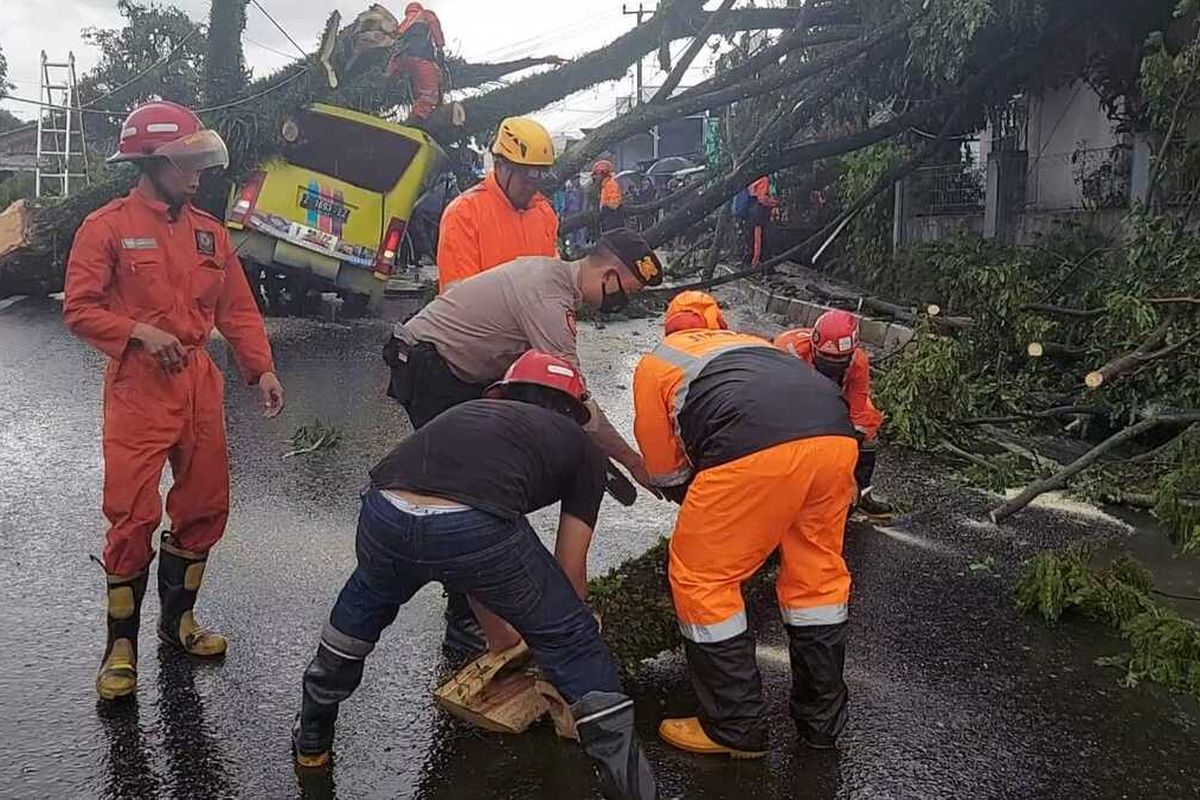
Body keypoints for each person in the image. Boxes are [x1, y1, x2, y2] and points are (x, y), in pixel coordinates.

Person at [293, 351, 658, 799]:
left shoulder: (469, 414)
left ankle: (312, 737)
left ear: (503, 393)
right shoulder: (582, 449)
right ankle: (633, 789)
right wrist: (569, 627)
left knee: (362, 609)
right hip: (474, 526)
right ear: (573, 409)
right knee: (573, 638)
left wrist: (502, 640)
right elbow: (569, 567)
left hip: (384, 508)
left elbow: (466, 554)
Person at [63, 101, 286, 701]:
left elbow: (237, 310)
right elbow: (79, 308)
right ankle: (120, 648)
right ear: (151, 162)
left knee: (204, 508)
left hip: (199, 385)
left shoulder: (211, 232)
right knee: (132, 517)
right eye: (185, 164)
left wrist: (260, 369)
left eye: (198, 162)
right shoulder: (105, 227)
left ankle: (178, 623)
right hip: (139, 386)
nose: (197, 175)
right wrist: (138, 332)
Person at [384, 228, 664, 661]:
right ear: (608, 273)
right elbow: (576, 399)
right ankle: (467, 625)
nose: (620, 302)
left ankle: (489, 609)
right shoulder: (549, 299)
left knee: (482, 488)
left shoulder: (556, 284)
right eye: (623, 291)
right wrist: (632, 461)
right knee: (469, 495)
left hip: (456, 374)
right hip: (431, 371)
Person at [632, 291, 858, 757]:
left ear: (669, 326)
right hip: (836, 439)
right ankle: (822, 723)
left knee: (703, 578)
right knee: (817, 581)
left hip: (751, 451)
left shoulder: (657, 363)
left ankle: (734, 727)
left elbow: (664, 469)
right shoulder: (756, 344)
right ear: (719, 321)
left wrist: (703, 506)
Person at [774, 310, 894, 518]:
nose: (830, 362)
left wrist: (851, 440)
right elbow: (774, 397)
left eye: (837, 359)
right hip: (791, 395)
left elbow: (858, 406)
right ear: (814, 346)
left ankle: (860, 490)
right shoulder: (788, 351)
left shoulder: (858, 363)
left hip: (836, 395)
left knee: (870, 419)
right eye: (825, 357)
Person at [436, 117, 559, 291]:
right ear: (501, 166)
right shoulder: (465, 213)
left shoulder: (544, 213)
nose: (532, 187)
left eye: (539, 177)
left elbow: (552, 281)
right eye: (526, 177)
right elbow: (460, 298)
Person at [385, 2, 446, 122]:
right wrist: (440, 46)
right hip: (420, 56)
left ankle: (384, 93)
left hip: (398, 61)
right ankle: (417, 119)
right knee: (428, 92)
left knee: (389, 84)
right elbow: (434, 25)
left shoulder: (402, 24)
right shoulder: (425, 14)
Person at [747, 175, 778, 268]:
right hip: (759, 213)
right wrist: (774, 202)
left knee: (755, 238)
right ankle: (755, 261)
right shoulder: (764, 180)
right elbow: (762, 198)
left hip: (751, 212)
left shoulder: (754, 180)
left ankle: (755, 259)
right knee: (758, 239)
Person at [592, 159, 624, 233]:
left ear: (602, 174)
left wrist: (605, 209)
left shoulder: (610, 184)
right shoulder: (604, 186)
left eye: (596, 174)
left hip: (613, 222)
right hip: (607, 221)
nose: (594, 178)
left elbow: (614, 203)